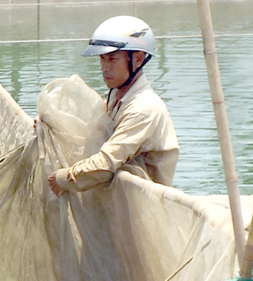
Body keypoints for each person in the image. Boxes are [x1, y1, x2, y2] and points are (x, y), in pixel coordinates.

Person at [47, 16, 179, 196]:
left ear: (138, 59)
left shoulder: (144, 108)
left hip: (145, 211)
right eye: (102, 59)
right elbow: (92, 130)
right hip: (121, 205)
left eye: (112, 59)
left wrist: (64, 178)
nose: (105, 67)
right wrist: (51, 126)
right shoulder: (115, 96)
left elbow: (106, 163)